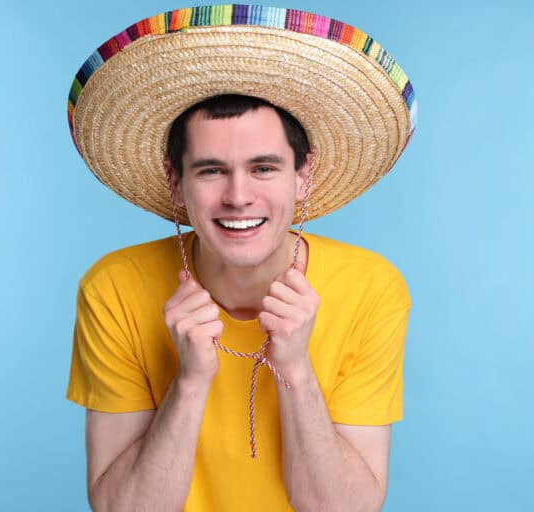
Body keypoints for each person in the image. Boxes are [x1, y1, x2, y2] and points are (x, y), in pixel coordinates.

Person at [65, 5, 417, 511]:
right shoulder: (114, 289)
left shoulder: (372, 288)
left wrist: (293, 364)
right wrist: (190, 380)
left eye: (264, 168)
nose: (238, 196)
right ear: (176, 183)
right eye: (211, 170)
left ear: (303, 177)